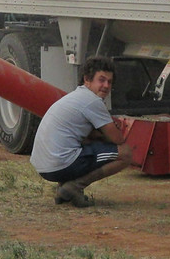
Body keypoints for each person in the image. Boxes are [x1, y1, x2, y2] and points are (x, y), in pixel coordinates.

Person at [30, 56, 133, 207]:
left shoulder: (75, 97)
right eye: (101, 80)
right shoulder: (92, 101)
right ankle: (73, 187)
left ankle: (63, 190)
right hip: (59, 164)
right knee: (125, 153)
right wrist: (106, 133)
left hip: (44, 167)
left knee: (85, 145)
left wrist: (97, 135)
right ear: (87, 79)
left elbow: (83, 137)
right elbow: (117, 139)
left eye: (109, 82)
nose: (106, 85)